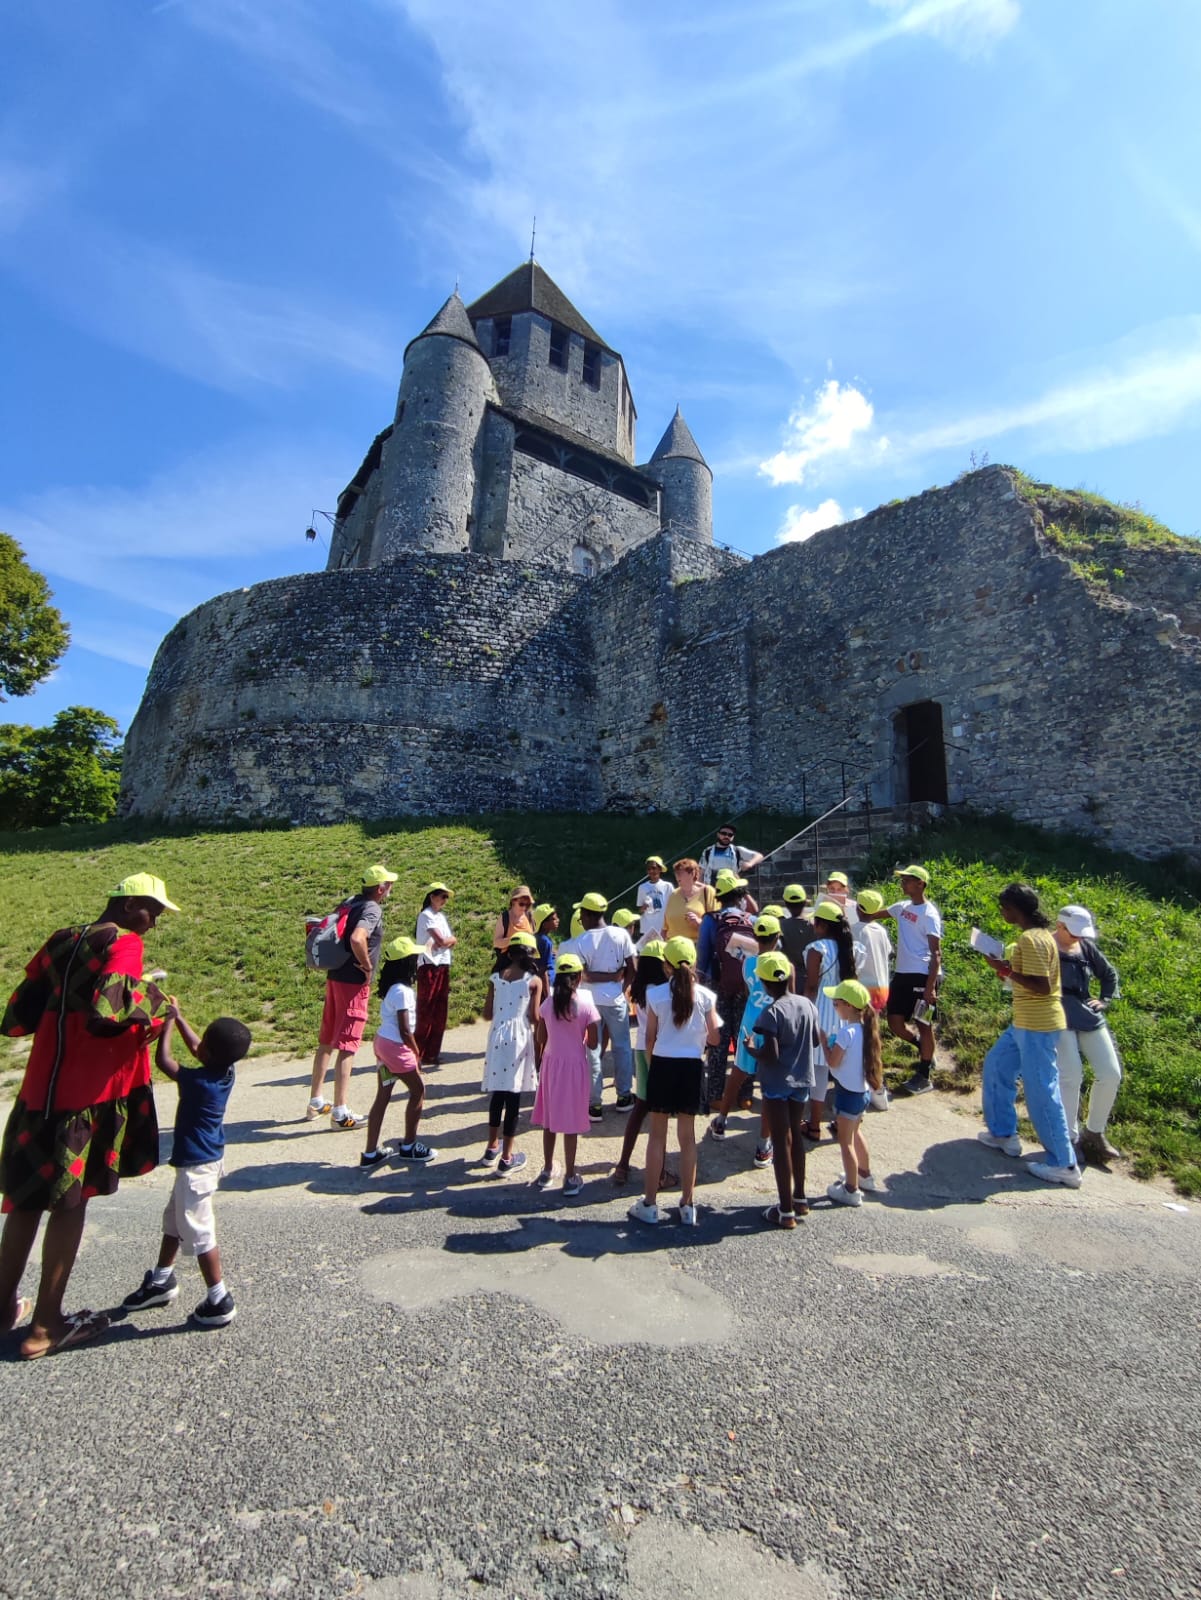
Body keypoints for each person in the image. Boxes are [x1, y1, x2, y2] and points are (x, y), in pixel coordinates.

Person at [0, 872, 176, 1360]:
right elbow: (106, 1012)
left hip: (39, 1093)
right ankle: (45, 1326)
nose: (154, 924)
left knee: (25, 1203)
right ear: (127, 906)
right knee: (70, 1204)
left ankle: (1, 1307)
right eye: (153, 912)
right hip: (87, 1096)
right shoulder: (124, 942)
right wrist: (158, 1005)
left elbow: (17, 1016)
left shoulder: (61, 939)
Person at [122, 1003, 251, 1327]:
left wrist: (167, 1024)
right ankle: (162, 1280)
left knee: (199, 1232)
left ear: (207, 1050)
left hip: (197, 1168)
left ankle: (219, 1298)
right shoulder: (224, 1072)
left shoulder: (199, 1083)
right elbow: (199, 1049)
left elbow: (164, 1061)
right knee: (174, 1223)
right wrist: (179, 1016)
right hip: (202, 1163)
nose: (198, 1045)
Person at [977, 883, 1082, 1188]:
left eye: (1004, 908)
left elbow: (1043, 986)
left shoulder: (1031, 939)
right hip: (1025, 1022)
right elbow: (1035, 978)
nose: (1002, 913)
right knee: (996, 1065)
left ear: (1015, 910)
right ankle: (1002, 1134)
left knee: (1041, 1092)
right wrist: (1009, 968)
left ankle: (1064, 1163)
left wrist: (1005, 971)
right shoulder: (1036, 936)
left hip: (1037, 1025)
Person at [628, 938, 721, 1227]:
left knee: (657, 1136)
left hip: (663, 1064)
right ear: (693, 963)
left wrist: (655, 1065)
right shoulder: (705, 996)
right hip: (692, 1067)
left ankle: (650, 1203)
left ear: (665, 965)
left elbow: (649, 1038)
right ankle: (688, 1204)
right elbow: (716, 1037)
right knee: (687, 1137)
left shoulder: (656, 995)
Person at [308, 863, 398, 1129]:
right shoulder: (372, 908)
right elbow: (359, 938)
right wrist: (367, 966)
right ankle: (340, 1112)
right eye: (389, 884)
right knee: (348, 1044)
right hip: (354, 983)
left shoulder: (350, 902)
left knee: (327, 1039)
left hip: (335, 976)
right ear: (380, 889)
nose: (391, 888)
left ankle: (316, 1100)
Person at [743, 952, 818, 1229]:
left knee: (780, 1140)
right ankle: (800, 1198)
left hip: (776, 1085)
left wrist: (752, 1049)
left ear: (763, 982)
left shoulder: (770, 1012)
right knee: (796, 1139)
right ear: (789, 976)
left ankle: (785, 1211)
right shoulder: (807, 1005)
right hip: (802, 1082)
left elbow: (771, 1055)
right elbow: (814, 1042)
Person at [708, 913, 784, 1169]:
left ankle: (720, 1120)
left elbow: (748, 989)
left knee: (738, 1073)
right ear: (776, 938)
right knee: (770, 1086)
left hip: (751, 1023)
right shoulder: (785, 964)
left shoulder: (748, 963)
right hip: (776, 1025)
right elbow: (790, 997)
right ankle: (763, 1145)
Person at [1053, 905, 1123, 1165]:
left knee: (1110, 1073)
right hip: (1057, 1014)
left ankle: (1093, 1134)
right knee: (1071, 1075)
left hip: (1086, 1014)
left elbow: (1109, 974)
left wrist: (1104, 999)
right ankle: (1068, 1140)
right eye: (1074, 933)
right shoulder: (1045, 945)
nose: (1079, 938)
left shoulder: (1085, 947)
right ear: (1060, 926)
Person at [361, 936, 435, 1168]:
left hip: (383, 1045)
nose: (417, 961)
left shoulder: (392, 988)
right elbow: (405, 1030)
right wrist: (416, 1054)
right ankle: (409, 1146)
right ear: (406, 962)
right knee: (418, 1091)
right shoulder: (403, 991)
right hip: (396, 1048)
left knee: (383, 1097)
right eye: (414, 957)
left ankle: (371, 1153)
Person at [532, 954, 600, 1196]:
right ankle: (570, 1176)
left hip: (551, 1065)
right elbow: (593, 1043)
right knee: (571, 1123)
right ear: (579, 977)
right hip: (575, 1067)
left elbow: (540, 1038)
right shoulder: (585, 1005)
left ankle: (548, 1169)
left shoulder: (548, 1004)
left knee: (549, 1120)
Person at [613, 941, 677, 1189]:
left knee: (640, 1108)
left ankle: (622, 1165)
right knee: (659, 1117)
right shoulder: (662, 991)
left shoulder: (639, 989)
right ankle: (659, 1173)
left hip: (640, 1047)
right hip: (660, 1051)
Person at [572, 892, 638, 1118]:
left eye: (581, 913)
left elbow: (582, 975)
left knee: (593, 1050)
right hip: (616, 1000)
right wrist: (618, 984)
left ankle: (595, 1104)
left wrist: (597, 977)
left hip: (590, 1002)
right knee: (622, 1047)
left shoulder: (582, 940)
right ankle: (624, 1096)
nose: (580, 916)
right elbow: (633, 968)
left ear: (589, 914)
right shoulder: (621, 934)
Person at [480, 931, 540, 1175]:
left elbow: (486, 1014)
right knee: (513, 1097)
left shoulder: (496, 978)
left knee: (498, 1093)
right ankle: (507, 1157)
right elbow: (535, 1017)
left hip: (497, 1035)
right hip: (519, 1037)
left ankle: (492, 1146)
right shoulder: (533, 981)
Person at [822, 979, 884, 1206]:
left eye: (836, 1003)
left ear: (848, 1006)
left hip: (847, 1095)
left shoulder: (845, 1033)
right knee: (856, 1134)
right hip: (862, 1094)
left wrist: (822, 1041)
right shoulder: (865, 1030)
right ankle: (864, 1175)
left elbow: (833, 1063)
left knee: (845, 1141)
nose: (834, 1007)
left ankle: (851, 1189)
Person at [698, 870, 755, 1108]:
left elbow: (702, 958)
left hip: (716, 986)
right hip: (745, 985)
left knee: (718, 1041)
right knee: (744, 1037)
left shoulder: (710, 920)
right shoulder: (750, 919)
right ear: (739, 895)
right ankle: (745, 1095)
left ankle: (716, 1095)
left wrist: (701, 985)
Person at [802, 900, 857, 1141]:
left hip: (822, 1012)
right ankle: (844, 1121)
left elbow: (812, 985)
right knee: (843, 1069)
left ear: (822, 925)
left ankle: (814, 1125)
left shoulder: (817, 949)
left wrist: (804, 1011)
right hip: (846, 1013)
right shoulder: (852, 948)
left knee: (819, 1072)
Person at [885, 865, 942, 1096]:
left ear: (921, 884)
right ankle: (923, 1048)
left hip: (922, 975)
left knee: (924, 1024)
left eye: (908, 880)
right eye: (903, 879)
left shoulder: (929, 914)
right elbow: (868, 914)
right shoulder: (901, 907)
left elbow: (936, 954)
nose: (903, 883)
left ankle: (924, 1075)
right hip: (901, 975)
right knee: (894, 1023)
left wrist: (930, 987)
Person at [414, 883, 455, 1068]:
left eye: (446, 897)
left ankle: (432, 1053)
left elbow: (448, 941)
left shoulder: (440, 916)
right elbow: (441, 940)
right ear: (432, 896)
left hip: (443, 964)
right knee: (426, 1009)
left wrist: (448, 941)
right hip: (429, 964)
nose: (445, 900)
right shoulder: (426, 915)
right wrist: (449, 941)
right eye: (442, 896)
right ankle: (417, 1054)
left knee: (440, 1009)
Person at [853, 890, 893, 1014]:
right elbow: (889, 952)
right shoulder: (881, 931)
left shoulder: (853, 930)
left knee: (860, 1025)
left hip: (862, 990)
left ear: (857, 909)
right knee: (873, 1026)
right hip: (882, 990)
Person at [663, 858, 717, 941]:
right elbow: (665, 928)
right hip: (672, 947)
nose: (677, 875)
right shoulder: (672, 895)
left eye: (680, 873)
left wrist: (700, 923)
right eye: (676, 873)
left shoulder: (707, 892)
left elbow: (716, 922)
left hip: (698, 947)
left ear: (692, 873)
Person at [699, 823, 764, 886]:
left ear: (733, 837)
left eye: (730, 835)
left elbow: (759, 856)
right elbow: (701, 873)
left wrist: (750, 863)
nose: (726, 836)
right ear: (718, 834)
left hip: (731, 891)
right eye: (723, 833)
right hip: (712, 890)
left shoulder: (737, 850)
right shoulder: (708, 851)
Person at [492, 886, 536, 967]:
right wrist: (516, 940)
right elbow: (496, 943)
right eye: (521, 904)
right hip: (508, 962)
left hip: (527, 961)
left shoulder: (529, 916)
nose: (524, 907)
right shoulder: (505, 917)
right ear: (513, 902)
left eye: (527, 904)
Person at [778, 885, 818, 971]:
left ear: (786, 904)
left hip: (788, 975)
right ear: (805, 902)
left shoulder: (780, 926)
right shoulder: (816, 926)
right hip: (812, 975)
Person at [636, 857, 673, 941]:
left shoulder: (667, 886)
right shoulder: (642, 887)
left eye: (654, 868)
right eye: (649, 869)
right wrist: (643, 908)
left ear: (660, 869)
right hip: (647, 929)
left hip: (663, 928)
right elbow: (639, 911)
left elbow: (673, 907)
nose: (651, 871)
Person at [532, 903, 559, 988]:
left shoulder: (537, 938)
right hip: (548, 984)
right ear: (544, 924)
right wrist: (547, 995)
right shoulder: (545, 942)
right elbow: (543, 970)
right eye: (553, 919)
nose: (558, 920)